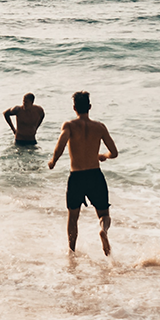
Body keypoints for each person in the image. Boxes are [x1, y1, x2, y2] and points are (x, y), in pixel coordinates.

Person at [48, 91, 118, 255]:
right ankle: (103, 231)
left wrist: (53, 161)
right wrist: (103, 156)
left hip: (77, 177)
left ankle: (71, 252)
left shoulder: (69, 126)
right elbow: (114, 152)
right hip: (95, 175)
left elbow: (61, 145)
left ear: (74, 108)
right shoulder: (99, 127)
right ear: (90, 107)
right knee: (104, 214)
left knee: (73, 217)